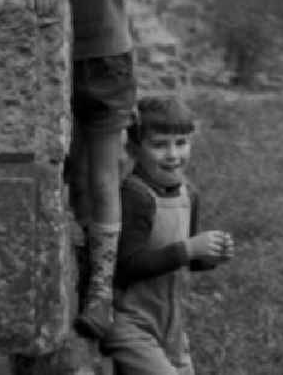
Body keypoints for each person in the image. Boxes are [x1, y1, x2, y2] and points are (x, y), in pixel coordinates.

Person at [57, 0, 140, 340]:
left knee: (102, 175)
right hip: (58, 58)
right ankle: (67, 264)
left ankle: (102, 292)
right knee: (68, 171)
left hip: (107, 63)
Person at [101, 96, 235, 375]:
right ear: (134, 148)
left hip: (171, 323)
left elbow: (190, 260)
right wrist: (187, 249)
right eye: (159, 145)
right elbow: (124, 267)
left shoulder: (189, 194)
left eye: (181, 143)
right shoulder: (135, 196)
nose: (173, 154)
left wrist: (210, 254)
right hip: (131, 322)